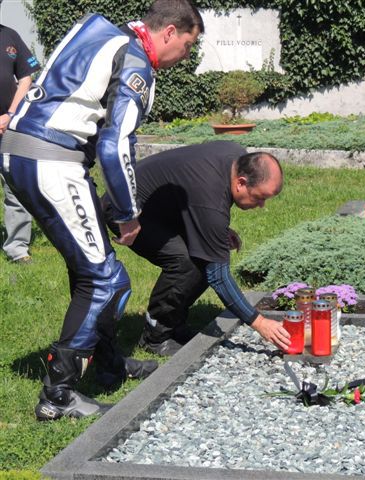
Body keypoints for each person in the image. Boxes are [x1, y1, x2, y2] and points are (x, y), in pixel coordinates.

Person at [0, 0, 204, 421]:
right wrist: (129, 213)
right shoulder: (136, 61)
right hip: (51, 160)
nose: (184, 57)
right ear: (168, 33)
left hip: (24, 152)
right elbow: (115, 145)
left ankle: (108, 366)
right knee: (107, 280)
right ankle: (57, 398)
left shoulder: (99, 31)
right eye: (187, 45)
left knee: (93, 269)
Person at [101, 141, 291, 356]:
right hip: (127, 210)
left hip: (162, 208)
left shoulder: (237, 157)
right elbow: (218, 277)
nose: (261, 206)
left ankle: (174, 325)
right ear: (241, 182)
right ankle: (156, 336)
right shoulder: (211, 198)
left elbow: (197, 194)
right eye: (260, 197)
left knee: (202, 255)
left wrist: (214, 229)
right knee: (185, 264)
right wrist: (259, 322)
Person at [0, 16, 40, 263]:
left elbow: (26, 77)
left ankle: (17, 248)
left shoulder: (10, 35)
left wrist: (11, 114)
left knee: (15, 188)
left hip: (8, 126)